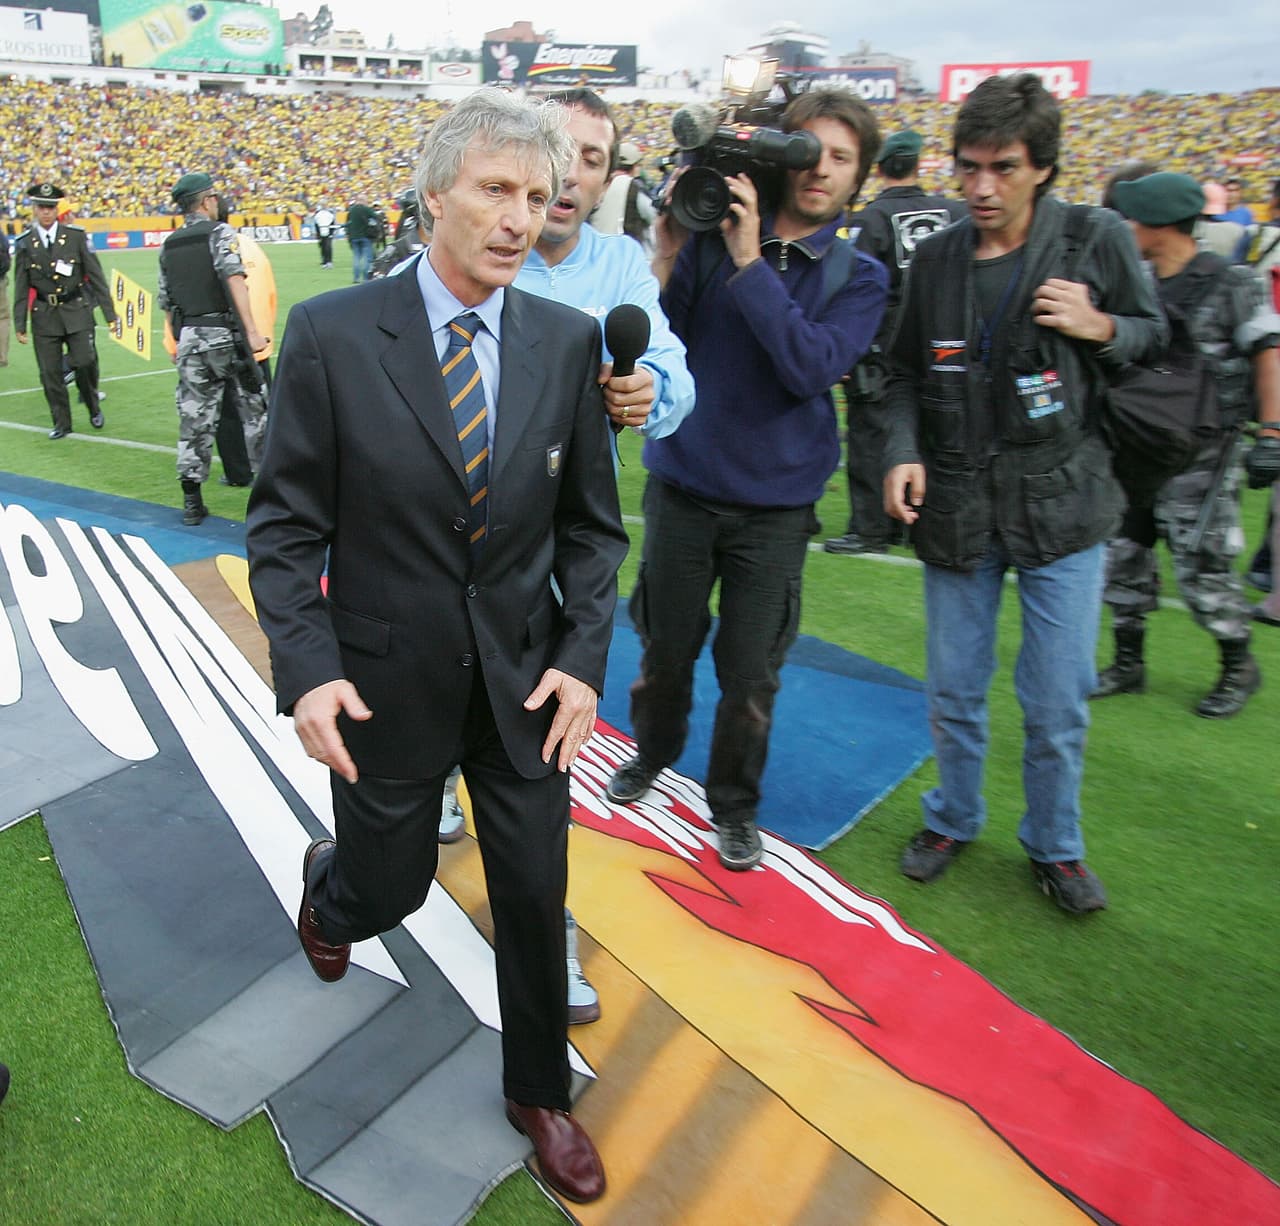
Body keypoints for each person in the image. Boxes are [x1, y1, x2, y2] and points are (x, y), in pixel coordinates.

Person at [245, 91, 627, 1205]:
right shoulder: (329, 332)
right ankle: (332, 898)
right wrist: (309, 667)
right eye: (495, 190)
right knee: (390, 886)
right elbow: (283, 527)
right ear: (432, 198)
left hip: (524, 683)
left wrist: (583, 653)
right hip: (379, 682)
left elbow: (593, 530)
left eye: (538, 196)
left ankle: (538, 1090)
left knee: (529, 885)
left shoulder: (567, 344)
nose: (521, 217)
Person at [881, 74, 1166, 914]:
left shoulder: (1094, 239)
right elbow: (896, 373)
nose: (980, 187)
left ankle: (1056, 846)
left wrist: (1103, 326)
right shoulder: (934, 257)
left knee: (1056, 698)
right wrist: (902, 449)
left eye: (1002, 167)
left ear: (1041, 167)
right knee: (955, 688)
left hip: (1065, 506)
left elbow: (1158, 340)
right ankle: (953, 818)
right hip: (960, 507)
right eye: (968, 166)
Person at [605, 88, 888, 871]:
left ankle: (734, 805)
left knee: (751, 670)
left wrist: (750, 259)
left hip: (777, 505)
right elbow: (665, 339)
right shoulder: (707, 238)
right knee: (665, 647)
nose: (820, 170)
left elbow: (811, 368)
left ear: (859, 174)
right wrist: (667, 249)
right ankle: (652, 754)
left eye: (840, 158)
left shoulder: (856, 275)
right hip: (686, 484)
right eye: (807, 151)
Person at [1091, 173, 1280, 716]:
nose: (1124, 228)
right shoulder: (1137, 280)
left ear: (1160, 224)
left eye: (1130, 218)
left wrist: (1271, 432)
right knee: (1122, 555)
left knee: (1202, 564)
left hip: (1202, 451)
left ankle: (1237, 665)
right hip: (1134, 443)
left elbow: (1267, 355)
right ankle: (1129, 662)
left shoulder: (1231, 283)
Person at [825, 129, 966, 557]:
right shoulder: (954, 211)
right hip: (943, 343)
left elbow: (852, 285)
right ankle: (914, 518)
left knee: (870, 435)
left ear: (880, 167)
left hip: (882, 346)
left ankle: (871, 527)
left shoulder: (869, 219)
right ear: (918, 163)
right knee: (932, 434)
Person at [156, 172, 268, 525]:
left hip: (191, 339)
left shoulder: (169, 245)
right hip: (227, 337)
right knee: (256, 415)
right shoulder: (220, 233)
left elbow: (166, 300)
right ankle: (269, 501)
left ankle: (192, 500)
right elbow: (234, 279)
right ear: (206, 201)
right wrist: (251, 331)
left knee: (194, 420)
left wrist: (179, 339)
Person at [12, 182, 117, 439]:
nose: (46, 212)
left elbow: (96, 275)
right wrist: (20, 324)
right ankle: (61, 423)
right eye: (41, 207)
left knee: (85, 361)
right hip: (44, 315)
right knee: (50, 373)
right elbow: (21, 285)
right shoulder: (26, 243)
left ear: (56, 209)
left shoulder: (75, 237)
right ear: (34, 210)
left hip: (76, 309)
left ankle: (92, 402)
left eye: (50, 208)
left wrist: (110, 314)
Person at [345, 193, 377, 282]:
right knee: (367, 258)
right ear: (363, 200)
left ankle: (356, 277)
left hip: (354, 237)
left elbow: (347, 223)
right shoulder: (366, 209)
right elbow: (376, 217)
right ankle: (366, 278)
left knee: (356, 257)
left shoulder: (351, 210)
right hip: (365, 236)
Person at [313, 203, 336, 267]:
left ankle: (328, 261)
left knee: (327, 247)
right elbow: (316, 224)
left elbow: (332, 224)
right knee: (324, 247)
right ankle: (325, 261)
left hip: (326, 232)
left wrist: (331, 233)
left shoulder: (328, 214)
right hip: (323, 232)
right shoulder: (319, 214)